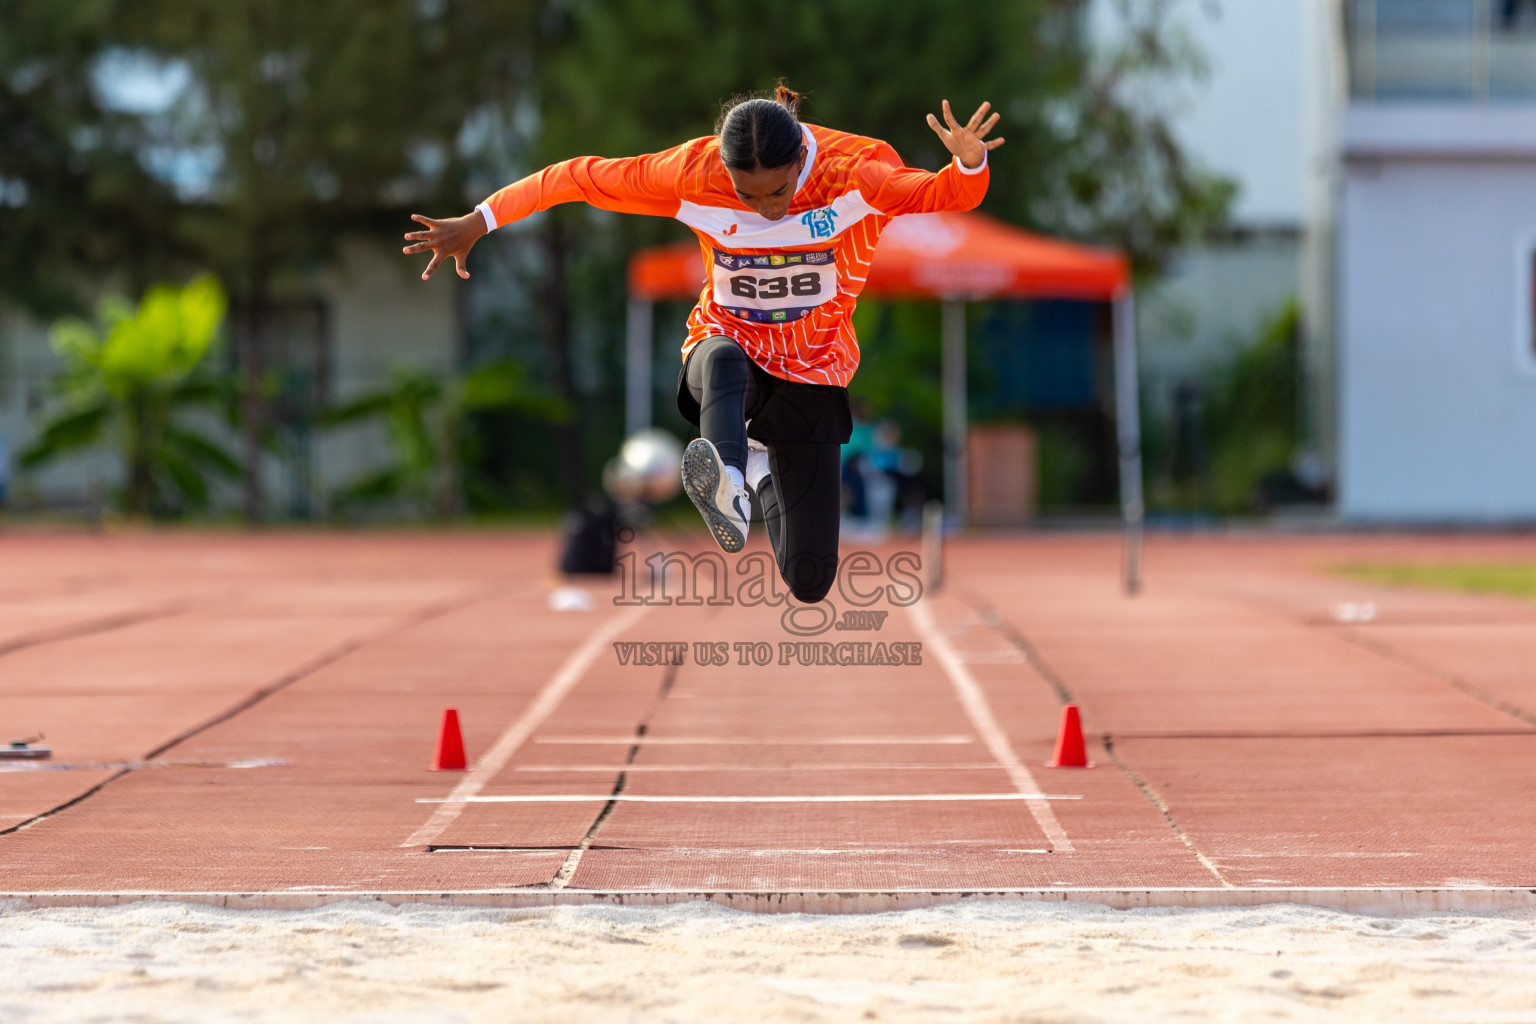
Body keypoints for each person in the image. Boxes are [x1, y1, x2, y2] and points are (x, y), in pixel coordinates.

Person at [402, 85, 1002, 603]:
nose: (767, 208)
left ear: (802, 161)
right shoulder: (691, 175)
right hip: (726, 350)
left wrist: (969, 165)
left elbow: (942, 195)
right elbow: (573, 178)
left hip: (813, 371)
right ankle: (730, 479)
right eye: (748, 195)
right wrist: (479, 220)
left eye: (779, 191)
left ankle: (761, 470)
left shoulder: (855, 173)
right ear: (724, 169)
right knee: (720, 356)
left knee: (811, 580)